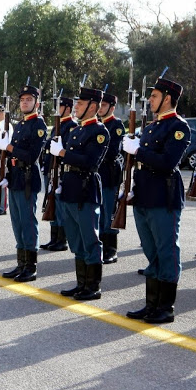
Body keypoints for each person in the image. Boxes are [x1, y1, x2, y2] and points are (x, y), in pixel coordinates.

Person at [123, 78, 190, 323]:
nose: (149, 100)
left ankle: (165, 308)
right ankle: (151, 304)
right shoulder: (151, 127)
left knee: (167, 252)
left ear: (167, 98)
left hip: (163, 198)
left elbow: (167, 163)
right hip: (143, 196)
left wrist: (138, 150)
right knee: (152, 252)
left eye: (154, 96)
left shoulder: (178, 127)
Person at [50, 87, 109, 300]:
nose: (76, 106)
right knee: (76, 240)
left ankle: (92, 286)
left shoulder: (99, 132)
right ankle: (81, 283)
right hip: (70, 188)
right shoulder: (76, 130)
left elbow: (91, 162)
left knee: (90, 239)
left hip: (85, 190)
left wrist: (64, 153)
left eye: (81, 104)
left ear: (93, 107)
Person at [0, 85, 47, 281]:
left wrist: (9, 147)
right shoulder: (20, 124)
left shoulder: (39, 125)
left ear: (36, 103)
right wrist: (6, 174)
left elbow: (32, 155)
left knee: (27, 222)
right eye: (22, 99)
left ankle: (30, 266)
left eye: (29, 99)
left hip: (28, 177)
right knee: (17, 222)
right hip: (16, 177)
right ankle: (21, 263)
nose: (25, 102)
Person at [40, 96, 76, 251]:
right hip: (51, 169)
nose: (56, 110)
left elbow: (67, 148)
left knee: (60, 205)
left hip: (61, 170)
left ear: (67, 108)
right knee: (52, 203)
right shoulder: (57, 125)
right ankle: (53, 238)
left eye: (59, 107)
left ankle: (62, 240)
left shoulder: (71, 126)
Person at [97, 92, 125, 264]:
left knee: (109, 213)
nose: (100, 108)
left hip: (109, 174)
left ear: (112, 108)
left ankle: (111, 249)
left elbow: (112, 151)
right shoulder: (98, 125)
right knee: (99, 213)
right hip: (97, 175)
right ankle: (100, 246)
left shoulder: (116, 125)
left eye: (104, 106)